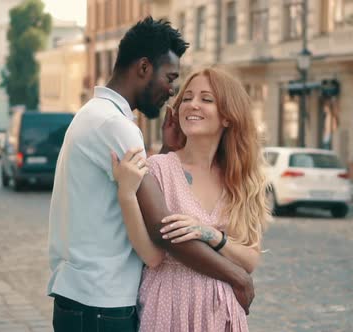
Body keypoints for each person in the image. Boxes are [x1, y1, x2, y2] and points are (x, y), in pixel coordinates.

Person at [47, 17, 255, 332]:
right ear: (144, 68)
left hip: (82, 298)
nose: (172, 91)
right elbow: (162, 229)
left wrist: (163, 151)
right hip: (102, 303)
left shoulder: (95, 115)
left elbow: (141, 188)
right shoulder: (117, 126)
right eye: (170, 78)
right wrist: (237, 276)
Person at [112, 67, 270, 331]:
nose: (192, 105)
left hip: (223, 311)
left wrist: (209, 234)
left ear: (228, 117)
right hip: (169, 306)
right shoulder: (157, 168)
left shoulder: (241, 180)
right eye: (187, 98)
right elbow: (152, 257)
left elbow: (250, 261)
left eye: (206, 99)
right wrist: (127, 195)